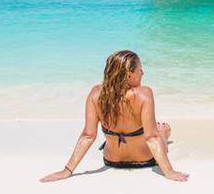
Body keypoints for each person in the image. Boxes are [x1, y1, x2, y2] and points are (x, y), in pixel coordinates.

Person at [39, 50, 189, 183]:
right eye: (140, 69)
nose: (142, 73)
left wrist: (67, 170)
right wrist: (168, 171)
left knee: (148, 132)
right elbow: (151, 138)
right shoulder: (144, 94)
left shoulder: (96, 94)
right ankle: (164, 133)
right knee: (158, 133)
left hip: (112, 160)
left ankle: (160, 132)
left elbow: (88, 136)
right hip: (145, 160)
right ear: (129, 74)